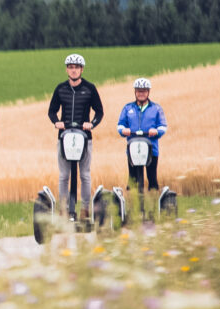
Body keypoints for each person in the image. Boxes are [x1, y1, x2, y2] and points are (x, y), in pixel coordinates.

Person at [47, 52, 104, 221]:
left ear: (82, 69)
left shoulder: (90, 88)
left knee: (84, 174)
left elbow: (99, 111)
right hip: (64, 137)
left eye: (76, 68)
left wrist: (91, 123)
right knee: (64, 175)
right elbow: (51, 111)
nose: (73, 71)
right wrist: (56, 122)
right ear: (67, 70)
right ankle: (64, 209)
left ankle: (85, 209)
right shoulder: (61, 89)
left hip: (84, 137)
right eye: (70, 67)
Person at [116, 77, 168, 213]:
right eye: (139, 91)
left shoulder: (156, 109)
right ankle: (134, 209)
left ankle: (152, 209)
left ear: (148, 92)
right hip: (133, 149)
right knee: (133, 180)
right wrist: (123, 130)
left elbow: (163, 126)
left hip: (151, 149)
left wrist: (156, 131)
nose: (141, 93)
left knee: (152, 179)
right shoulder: (128, 108)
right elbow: (120, 125)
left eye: (144, 91)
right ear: (135, 92)